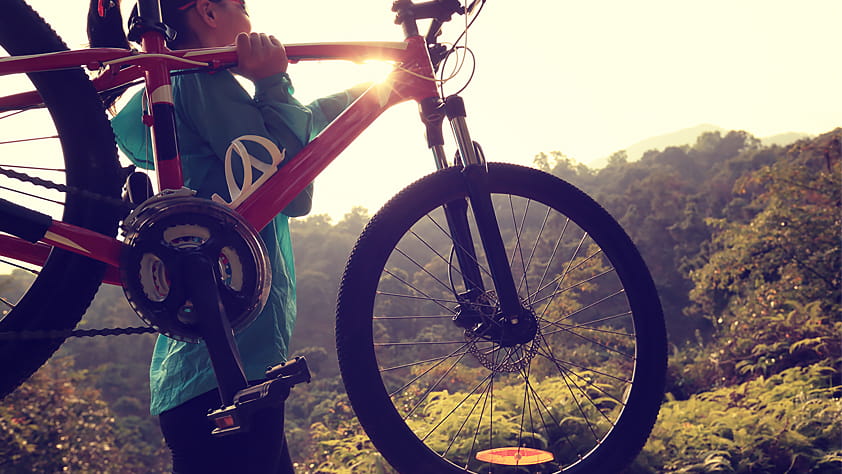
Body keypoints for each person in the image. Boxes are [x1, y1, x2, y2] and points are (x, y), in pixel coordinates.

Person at [88, 1, 366, 472]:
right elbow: (287, 189)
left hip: (207, 373)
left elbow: (282, 133)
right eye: (242, 6)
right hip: (224, 373)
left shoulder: (184, 91)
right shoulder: (202, 82)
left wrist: (370, 91)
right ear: (208, 13)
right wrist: (273, 81)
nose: (251, 19)